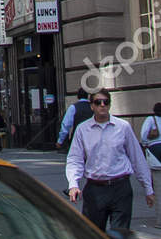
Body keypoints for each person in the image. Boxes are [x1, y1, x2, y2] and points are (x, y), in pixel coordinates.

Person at [66, 90, 154, 231]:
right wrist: (73, 184)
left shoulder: (122, 127)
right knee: (93, 236)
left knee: (120, 236)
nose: (102, 105)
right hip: (95, 189)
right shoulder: (82, 130)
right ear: (92, 106)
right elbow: (75, 159)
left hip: (120, 188)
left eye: (106, 102)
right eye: (98, 102)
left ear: (109, 105)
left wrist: (148, 188)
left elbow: (137, 158)